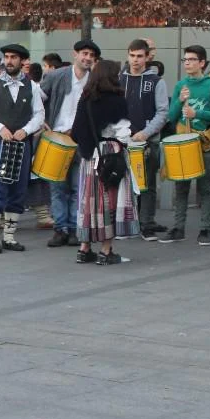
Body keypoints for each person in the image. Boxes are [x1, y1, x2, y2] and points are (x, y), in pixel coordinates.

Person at [0, 44, 45, 254]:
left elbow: (39, 115)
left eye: (14, 57)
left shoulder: (32, 87)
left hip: (22, 144)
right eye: (7, 57)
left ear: (23, 61)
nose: (9, 61)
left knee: (18, 189)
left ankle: (9, 237)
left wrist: (26, 129)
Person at [69, 59, 138, 265]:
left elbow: (75, 133)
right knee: (109, 202)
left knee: (89, 202)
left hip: (90, 158)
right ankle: (106, 251)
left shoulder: (86, 98)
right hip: (110, 155)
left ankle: (84, 249)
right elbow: (123, 132)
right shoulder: (117, 100)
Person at [159, 45, 210, 246]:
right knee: (181, 187)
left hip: (203, 141)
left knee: (205, 187)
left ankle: (205, 229)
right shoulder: (181, 85)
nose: (187, 63)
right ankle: (178, 228)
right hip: (183, 140)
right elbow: (171, 117)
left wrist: (197, 114)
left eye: (191, 59)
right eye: (185, 60)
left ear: (202, 63)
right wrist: (179, 101)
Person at [39, 39, 99, 247]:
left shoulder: (94, 81)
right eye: (84, 54)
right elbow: (37, 98)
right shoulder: (57, 75)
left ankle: (74, 229)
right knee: (57, 188)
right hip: (57, 138)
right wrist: (42, 121)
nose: (87, 58)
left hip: (81, 140)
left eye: (91, 55)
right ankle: (60, 229)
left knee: (78, 188)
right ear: (75, 54)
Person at [120, 39, 170, 241]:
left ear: (147, 57)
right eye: (132, 55)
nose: (135, 60)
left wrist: (146, 133)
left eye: (140, 56)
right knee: (124, 184)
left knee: (147, 184)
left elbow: (163, 112)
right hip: (122, 141)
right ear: (127, 55)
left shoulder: (157, 81)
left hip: (148, 142)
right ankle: (126, 223)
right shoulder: (118, 80)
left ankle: (147, 223)